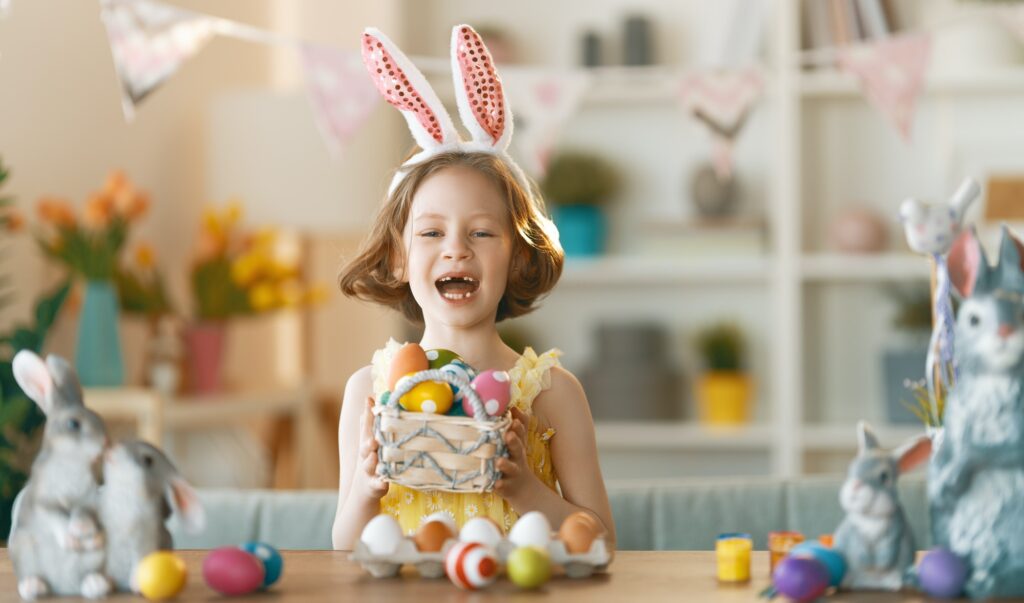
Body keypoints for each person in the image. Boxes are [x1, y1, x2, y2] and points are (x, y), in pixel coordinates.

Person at [331, 24, 614, 552]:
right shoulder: (368, 393)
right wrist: (369, 489)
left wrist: (527, 489)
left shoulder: (554, 394)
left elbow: (602, 540)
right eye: (432, 232)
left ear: (518, 255)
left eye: (482, 233)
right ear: (398, 258)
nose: (455, 249)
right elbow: (343, 545)